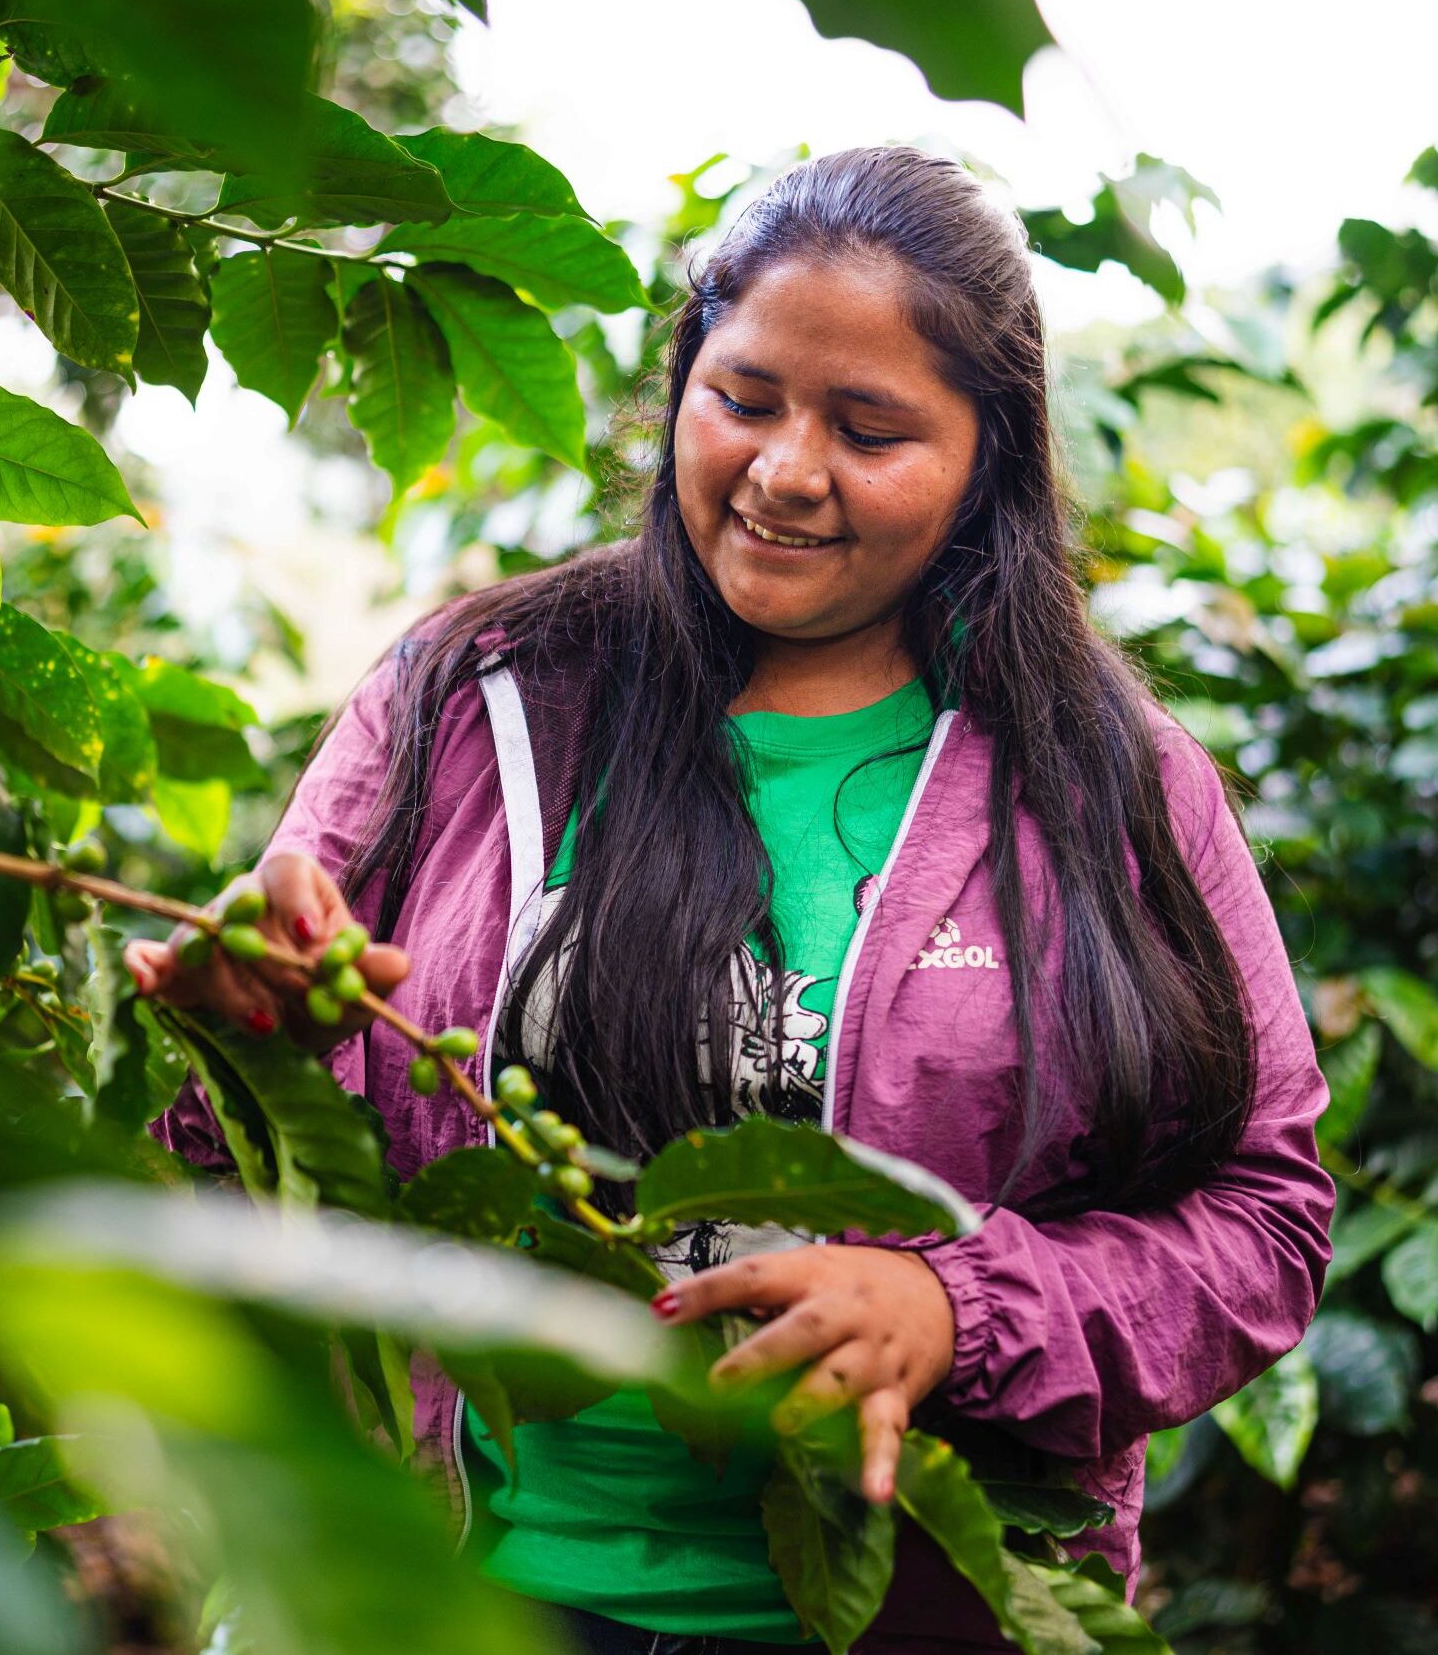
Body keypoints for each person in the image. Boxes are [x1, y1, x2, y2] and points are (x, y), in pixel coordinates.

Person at [127, 144, 1335, 1654]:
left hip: (919, 1611)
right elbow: (261, 1172)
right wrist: (249, 1050)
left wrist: (962, 1311)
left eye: (871, 426)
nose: (783, 470)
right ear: (685, 382)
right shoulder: (479, 695)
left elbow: (1262, 1216)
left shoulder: (1112, 785)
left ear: (988, 460)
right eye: (744, 398)